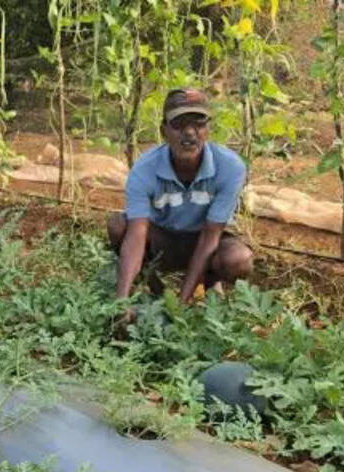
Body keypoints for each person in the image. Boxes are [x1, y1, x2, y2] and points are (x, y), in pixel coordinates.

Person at [107, 88, 254, 324]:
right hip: (164, 240)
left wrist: (180, 308)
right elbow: (136, 234)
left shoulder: (230, 167)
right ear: (164, 131)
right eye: (179, 124)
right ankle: (154, 289)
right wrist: (121, 302)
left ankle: (208, 283)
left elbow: (211, 235)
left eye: (198, 123)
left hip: (204, 240)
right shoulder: (145, 168)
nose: (189, 133)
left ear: (208, 129)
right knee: (118, 225)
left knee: (239, 259)